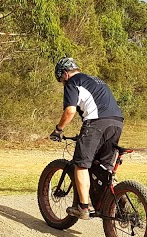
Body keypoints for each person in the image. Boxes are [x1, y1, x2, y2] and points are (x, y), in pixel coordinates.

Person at [49, 57, 124, 220]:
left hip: (96, 123)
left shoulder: (72, 82)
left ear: (65, 74)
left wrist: (58, 129)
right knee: (103, 168)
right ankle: (116, 201)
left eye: (61, 79)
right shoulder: (96, 81)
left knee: (81, 164)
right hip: (117, 123)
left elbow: (70, 111)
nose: (63, 83)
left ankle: (83, 207)